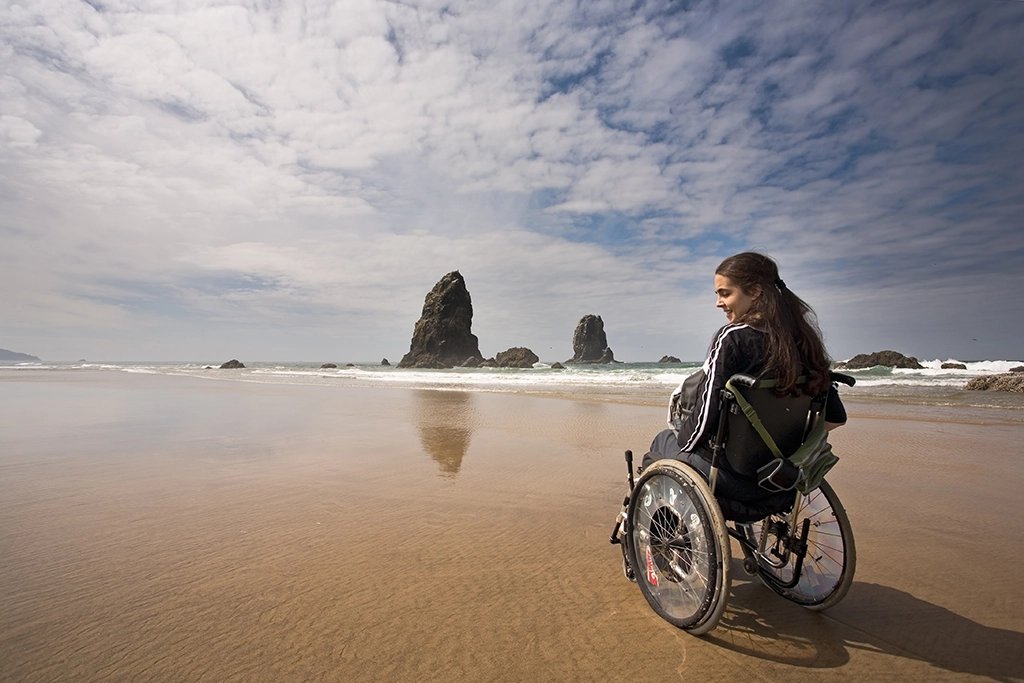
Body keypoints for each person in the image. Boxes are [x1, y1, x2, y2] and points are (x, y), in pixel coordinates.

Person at [644, 251, 847, 520]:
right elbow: (835, 418)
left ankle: (661, 529)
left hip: (730, 482)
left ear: (755, 291)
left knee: (664, 440)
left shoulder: (733, 338)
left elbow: (704, 422)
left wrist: (683, 441)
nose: (719, 303)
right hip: (780, 479)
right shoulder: (804, 341)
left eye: (725, 293)